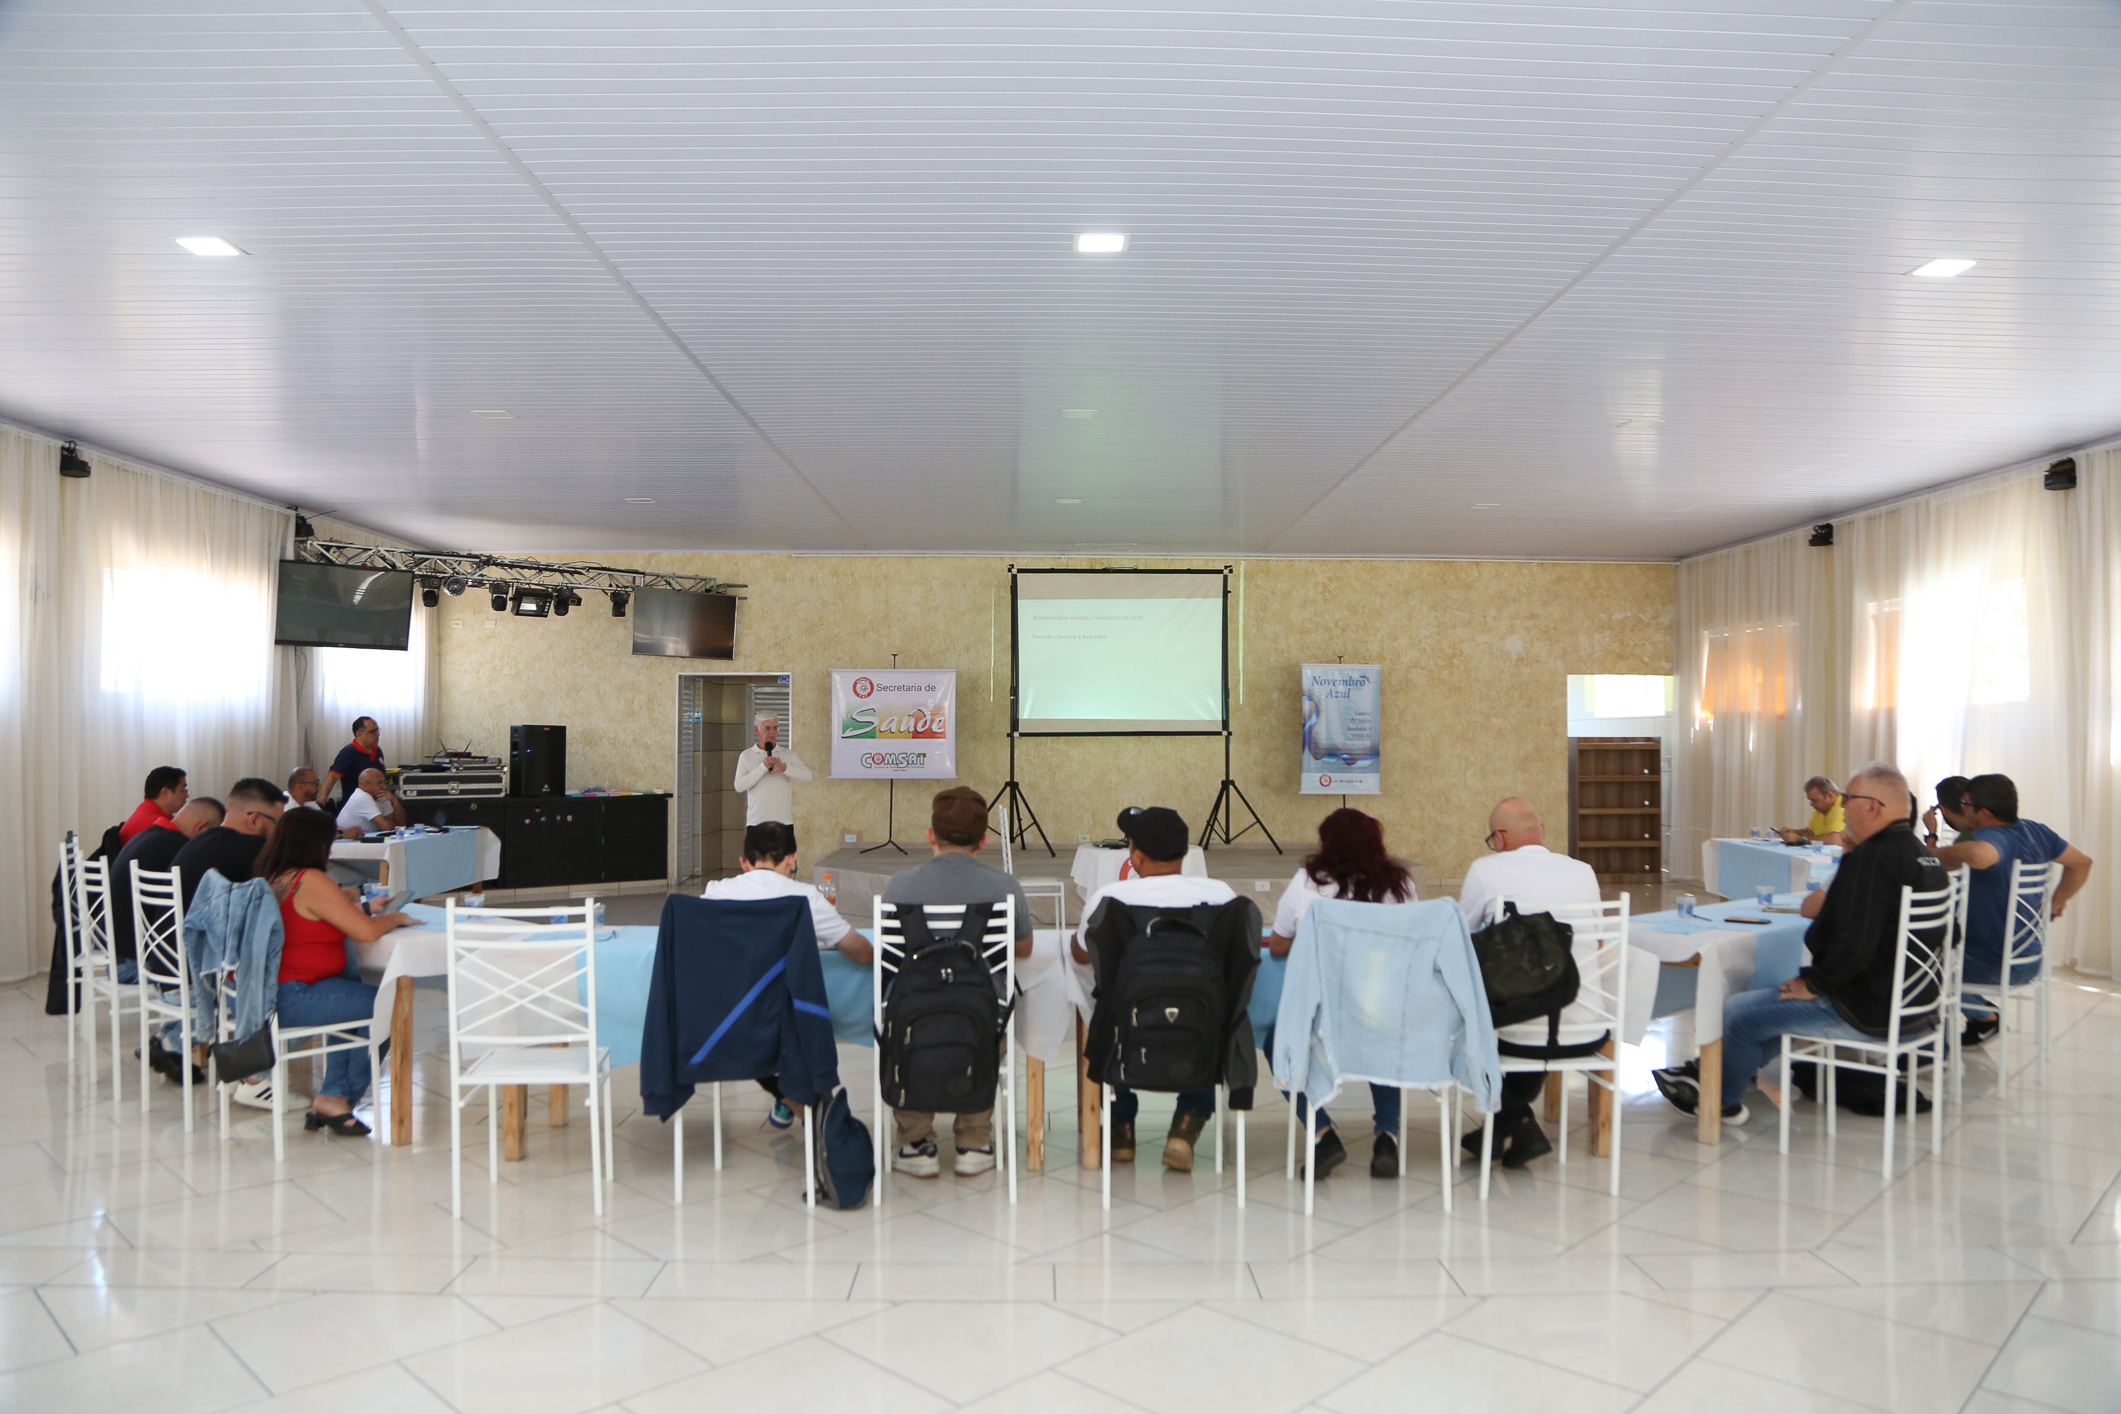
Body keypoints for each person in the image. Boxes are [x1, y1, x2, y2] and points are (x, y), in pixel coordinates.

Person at [1653, 762, 1948, 1125]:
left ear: (1872, 807)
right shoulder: (1925, 856)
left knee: (1739, 1011)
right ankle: (1726, 1075)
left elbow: (1855, 945)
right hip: (1917, 1004)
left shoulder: (1874, 859)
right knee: (1769, 1009)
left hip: (1866, 1010)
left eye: (1849, 798)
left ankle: (1719, 1100)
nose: (1843, 805)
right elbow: (1945, 936)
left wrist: (1815, 984)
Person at [1072, 805, 1236, 1173]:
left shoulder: (1111, 898)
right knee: (1207, 1023)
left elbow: (1083, 955)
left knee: (1112, 1015)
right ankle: (1184, 1130)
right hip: (1199, 1024)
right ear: (1184, 853)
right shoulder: (1221, 895)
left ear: (1136, 855)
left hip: (1130, 1027)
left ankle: (1122, 1128)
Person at [881, 787, 1034, 1178]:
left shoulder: (899, 887)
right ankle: (974, 1141)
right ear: (984, 840)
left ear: (931, 835)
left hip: (914, 1017)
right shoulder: (1006, 888)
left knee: (908, 1030)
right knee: (986, 1022)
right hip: (981, 1017)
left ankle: (915, 1143)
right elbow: (1025, 948)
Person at [1264, 808, 1417, 1178]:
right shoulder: (1400, 884)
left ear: (1325, 844)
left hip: (1321, 1018)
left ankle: (1323, 1133)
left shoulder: (1307, 883)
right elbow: (1410, 943)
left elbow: (1280, 946)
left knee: (1275, 1042)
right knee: (1382, 1038)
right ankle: (1387, 1137)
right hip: (1381, 1011)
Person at [1455, 796, 1603, 1167]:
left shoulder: (1486, 870)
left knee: (1461, 1031)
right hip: (1588, 1026)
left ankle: (1519, 1122)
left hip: (1523, 1032)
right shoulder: (1583, 870)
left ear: (1500, 838)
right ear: (1542, 834)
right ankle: (1498, 1133)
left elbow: (1462, 940)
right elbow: (1598, 942)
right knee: (1528, 1014)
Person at [256, 807, 414, 1136]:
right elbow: (366, 932)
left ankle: (334, 1097)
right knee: (391, 1004)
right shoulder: (311, 879)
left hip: (279, 992)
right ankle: (337, 1098)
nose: (331, 849)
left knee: (352, 1004)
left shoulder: (277, 876)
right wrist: (396, 918)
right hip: (294, 994)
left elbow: (319, 916)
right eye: (329, 841)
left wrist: (364, 908)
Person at [702, 820, 870, 1129]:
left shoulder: (715, 893)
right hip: (791, 1017)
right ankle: (803, 1105)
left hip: (727, 1018)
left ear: (743, 861)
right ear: (791, 859)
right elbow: (861, 953)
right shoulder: (805, 898)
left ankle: (788, 1099)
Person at [1933, 773, 2093, 1046]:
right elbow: (2082, 862)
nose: (1963, 808)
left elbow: (1978, 856)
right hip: (2030, 960)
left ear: (1983, 812)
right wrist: (2058, 899)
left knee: (1919, 966)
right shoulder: (2036, 831)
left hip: (1990, 962)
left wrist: (1932, 855)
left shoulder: (1994, 836)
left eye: (1966, 804)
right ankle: (1977, 1019)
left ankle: (1974, 1022)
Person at [153, 779, 288, 1094]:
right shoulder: (251, 849)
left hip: (164, 970)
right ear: (254, 819)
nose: (279, 833)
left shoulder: (200, 841)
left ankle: (171, 1039)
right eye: (277, 824)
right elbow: (282, 899)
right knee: (266, 964)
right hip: (196, 979)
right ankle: (252, 1073)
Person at [109, 797, 224, 968]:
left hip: (118, 956)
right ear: (201, 828)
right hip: (139, 964)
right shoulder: (180, 850)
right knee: (222, 965)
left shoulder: (146, 835)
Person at [733, 713, 811, 827]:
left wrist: (785, 768)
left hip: (783, 823)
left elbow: (808, 776)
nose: (772, 732)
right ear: (756, 730)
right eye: (767, 728)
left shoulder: (787, 754)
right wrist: (762, 767)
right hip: (756, 823)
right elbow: (739, 786)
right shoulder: (746, 755)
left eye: (775, 728)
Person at [323, 717, 385, 805]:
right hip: (355, 805)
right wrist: (324, 796)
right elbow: (332, 776)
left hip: (377, 803)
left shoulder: (378, 750)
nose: (378, 734)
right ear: (359, 734)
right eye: (373, 731)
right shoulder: (348, 752)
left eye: (378, 730)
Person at [120, 766, 189, 844]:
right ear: (165, 793)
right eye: (182, 790)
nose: (187, 795)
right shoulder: (155, 826)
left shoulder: (148, 813)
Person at [335, 768, 405, 838]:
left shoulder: (381, 796)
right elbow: (387, 827)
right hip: (343, 842)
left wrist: (394, 801)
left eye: (385, 783)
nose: (385, 787)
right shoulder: (362, 796)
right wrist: (392, 825)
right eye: (380, 783)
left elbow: (400, 826)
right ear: (365, 786)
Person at [1777, 776, 1847, 846]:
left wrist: (1801, 839)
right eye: (1810, 800)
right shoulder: (1822, 808)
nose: (1811, 804)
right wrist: (1794, 832)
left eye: (1815, 800)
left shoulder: (1843, 805)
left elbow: (1836, 839)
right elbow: (1811, 832)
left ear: (1830, 796)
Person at [1922, 776, 1976, 848]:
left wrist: (1932, 833)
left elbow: (1930, 859)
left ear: (1944, 810)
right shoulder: (1989, 828)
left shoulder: (1967, 839)